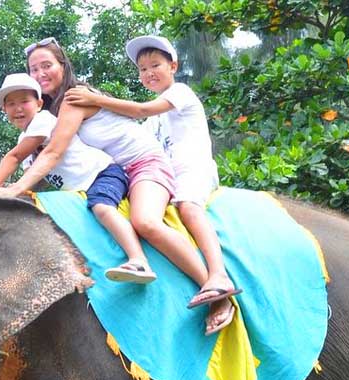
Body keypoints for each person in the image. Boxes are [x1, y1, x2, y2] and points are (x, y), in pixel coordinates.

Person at [0, 38, 234, 334]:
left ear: (63, 66)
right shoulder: (50, 115)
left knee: (145, 221)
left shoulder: (74, 98)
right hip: (121, 173)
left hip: (144, 165)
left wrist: (14, 188)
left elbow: (53, 153)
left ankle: (215, 287)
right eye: (34, 69)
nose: (41, 73)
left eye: (47, 65)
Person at [64, 35, 239, 326]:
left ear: (173, 65)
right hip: (167, 176)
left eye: (155, 65)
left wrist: (95, 100)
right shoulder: (151, 124)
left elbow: (140, 109)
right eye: (142, 69)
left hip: (191, 170)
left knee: (188, 208)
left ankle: (218, 275)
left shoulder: (180, 93)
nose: (148, 73)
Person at [0, 73, 155, 283]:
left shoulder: (43, 120)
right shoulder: (26, 138)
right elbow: (34, 177)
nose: (18, 108)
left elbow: (14, 156)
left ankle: (138, 259)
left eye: (24, 101)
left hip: (103, 174)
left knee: (102, 207)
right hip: (80, 189)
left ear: (39, 104)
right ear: (4, 110)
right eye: (11, 104)